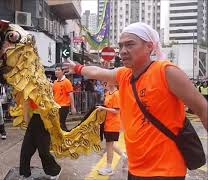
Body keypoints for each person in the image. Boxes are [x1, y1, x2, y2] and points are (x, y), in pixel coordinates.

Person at [64, 22, 207, 179]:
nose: (123, 51)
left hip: (165, 170)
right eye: (121, 46)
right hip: (135, 168)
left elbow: (202, 108)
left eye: (130, 44)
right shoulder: (124, 75)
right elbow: (97, 72)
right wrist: (77, 68)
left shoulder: (166, 72)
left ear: (149, 46)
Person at [19, 98, 62, 179]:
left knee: (43, 152)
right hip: (34, 119)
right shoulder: (29, 88)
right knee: (26, 149)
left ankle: (55, 171)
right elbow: (26, 104)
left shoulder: (47, 87)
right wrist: (27, 120)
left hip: (44, 121)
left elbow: (52, 105)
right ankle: (25, 173)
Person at [97, 82, 127, 176]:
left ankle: (109, 168)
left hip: (113, 124)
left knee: (109, 146)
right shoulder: (108, 93)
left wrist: (103, 108)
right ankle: (124, 156)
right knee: (110, 144)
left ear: (113, 83)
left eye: (107, 81)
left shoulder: (116, 94)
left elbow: (117, 111)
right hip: (107, 123)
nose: (104, 83)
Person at [52, 63, 76, 131]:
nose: (56, 71)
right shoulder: (55, 82)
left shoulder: (66, 82)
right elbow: (53, 94)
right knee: (58, 124)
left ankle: (67, 137)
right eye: (56, 70)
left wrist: (73, 107)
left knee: (61, 123)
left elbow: (71, 94)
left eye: (58, 70)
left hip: (64, 106)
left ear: (63, 72)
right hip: (56, 106)